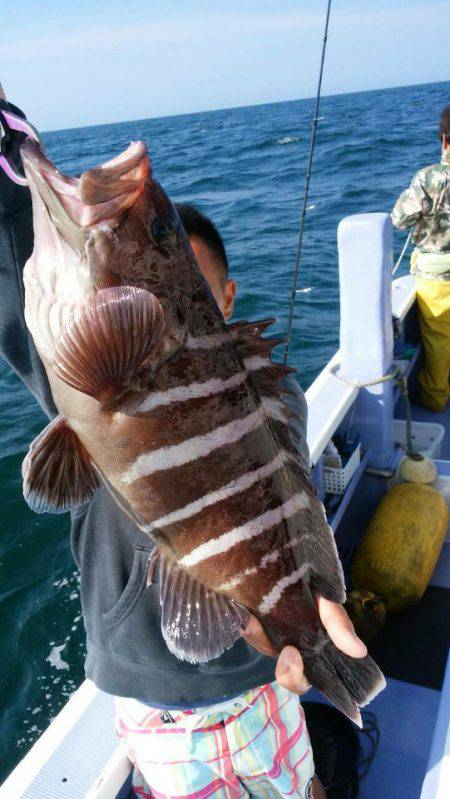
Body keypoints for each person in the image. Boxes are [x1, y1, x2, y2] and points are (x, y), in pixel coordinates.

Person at [0, 83, 367, 799]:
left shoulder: (272, 396)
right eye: (167, 252)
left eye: (193, 285)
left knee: (297, 783)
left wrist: (304, 610)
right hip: (152, 692)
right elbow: (16, 269)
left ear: (225, 300)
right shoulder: (83, 373)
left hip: (261, 681)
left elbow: (284, 498)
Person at [391, 105, 450, 413]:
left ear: (443, 140)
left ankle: (436, 398)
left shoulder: (428, 179)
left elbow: (399, 219)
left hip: (438, 278)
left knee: (440, 340)